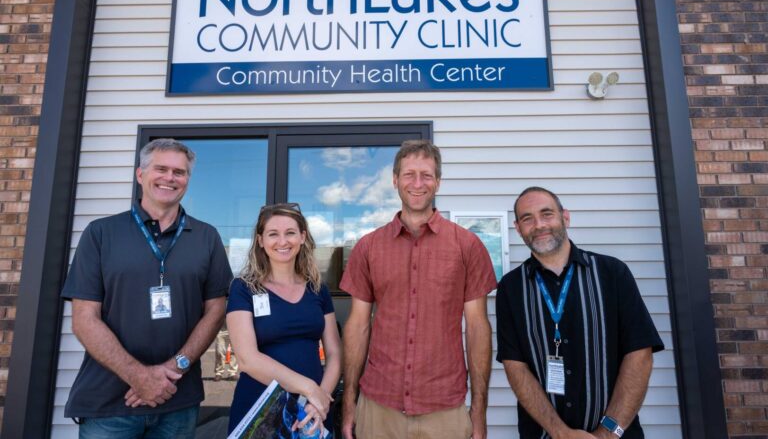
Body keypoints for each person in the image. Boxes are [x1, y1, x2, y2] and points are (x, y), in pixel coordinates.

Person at [61, 138, 233, 438]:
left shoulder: (207, 237)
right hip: (109, 404)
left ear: (187, 180)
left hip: (178, 401)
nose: (170, 177)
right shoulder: (101, 234)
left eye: (179, 172)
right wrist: (140, 377)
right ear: (140, 175)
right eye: (161, 169)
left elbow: (216, 311)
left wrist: (175, 368)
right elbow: (84, 319)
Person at [340, 140, 498, 439]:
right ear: (395, 180)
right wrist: (349, 402)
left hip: (445, 410)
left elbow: (478, 327)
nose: (417, 183)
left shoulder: (467, 246)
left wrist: (478, 410)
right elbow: (358, 326)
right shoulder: (368, 247)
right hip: (378, 407)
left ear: (438, 182)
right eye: (409, 174)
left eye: (426, 175)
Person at [496, 186, 664, 439]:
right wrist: (560, 433)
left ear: (566, 217)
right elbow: (515, 366)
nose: (539, 224)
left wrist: (607, 433)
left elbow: (640, 355)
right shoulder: (511, 288)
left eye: (547, 214)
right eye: (527, 218)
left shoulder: (612, 273)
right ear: (518, 228)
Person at [227, 202, 342, 436]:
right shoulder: (243, 289)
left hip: (312, 412)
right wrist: (309, 388)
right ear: (260, 240)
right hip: (261, 410)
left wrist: (320, 401)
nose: (282, 241)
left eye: (290, 233)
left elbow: (335, 353)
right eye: (273, 234)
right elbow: (247, 359)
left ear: (302, 237)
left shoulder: (318, 289)